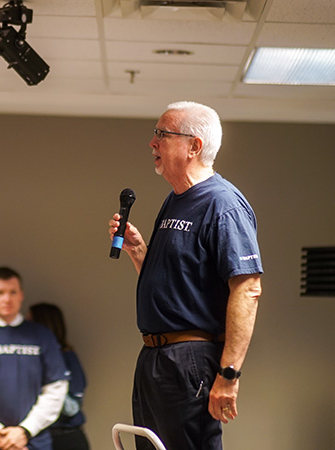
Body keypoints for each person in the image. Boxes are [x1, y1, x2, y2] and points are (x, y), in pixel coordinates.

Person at [107, 101, 263, 450]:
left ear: (194, 145)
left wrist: (228, 375)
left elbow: (248, 288)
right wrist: (139, 251)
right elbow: (176, 284)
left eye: (162, 134)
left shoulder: (223, 204)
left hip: (189, 359)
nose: (152, 143)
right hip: (154, 357)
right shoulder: (176, 200)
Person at [0, 267, 68, 450]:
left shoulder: (42, 335)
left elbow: (56, 387)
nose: (7, 299)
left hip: (33, 442)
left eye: (12, 292)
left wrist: (24, 431)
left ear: (21, 295)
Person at [27, 303, 89, 450]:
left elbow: (72, 408)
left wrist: (50, 386)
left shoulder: (67, 358)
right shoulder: (27, 360)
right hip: (36, 438)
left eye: (29, 323)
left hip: (65, 438)